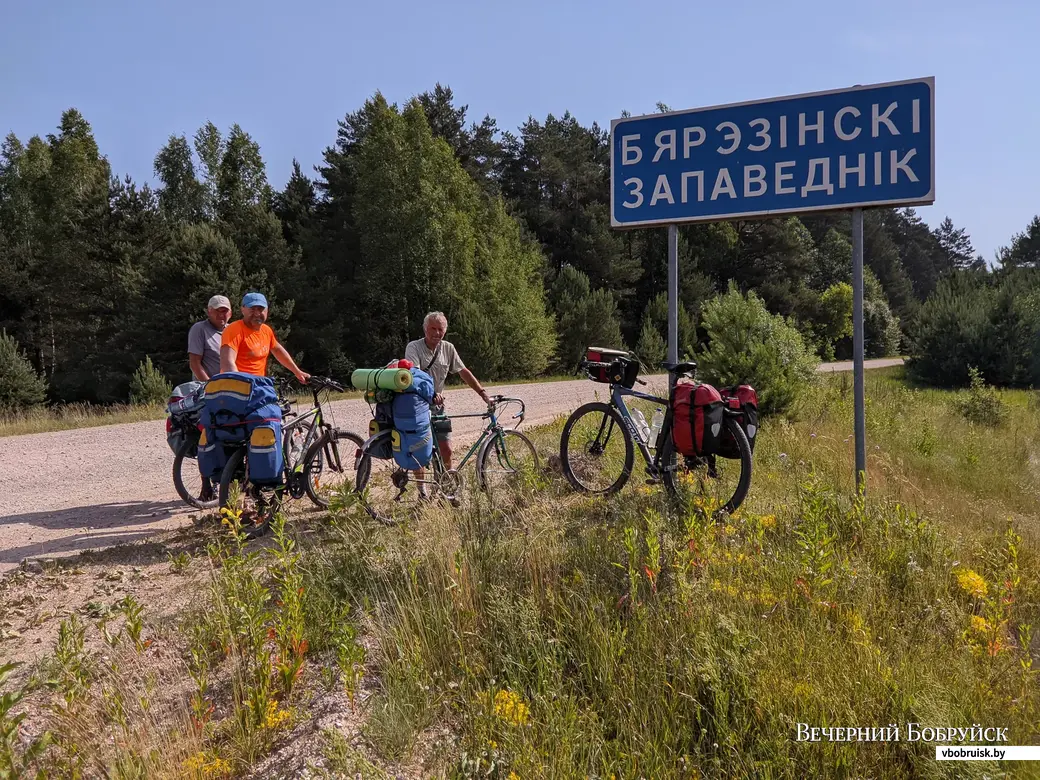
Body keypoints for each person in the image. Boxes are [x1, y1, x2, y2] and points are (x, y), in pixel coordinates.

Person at [404, 311, 491, 473]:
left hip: (438, 407)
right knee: (419, 452)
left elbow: (463, 371)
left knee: (446, 450)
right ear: (425, 329)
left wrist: (482, 393)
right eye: (433, 328)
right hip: (418, 406)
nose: (437, 333)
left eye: (441, 329)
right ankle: (422, 494)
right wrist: (430, 394)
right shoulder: (414, 347)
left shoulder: (448, 348)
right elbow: (414, 375)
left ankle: (446, 487)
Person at [220, 292, 310, 384]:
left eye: (260, 309)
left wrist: (297, 372)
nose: (257, 314)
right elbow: (227, 363)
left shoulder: (266, 330)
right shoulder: (234, 330)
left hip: (258, 385)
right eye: (252, 309)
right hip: (236, 387)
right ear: (243, 309)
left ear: (267, 311)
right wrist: (240, 384)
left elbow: (277, 350)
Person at [187, 295, 232, 381]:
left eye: (224, 311)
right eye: (217, 311)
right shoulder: (199, 329)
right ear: (209, 311)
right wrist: (209, 385)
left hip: (230, 387)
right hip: (208, 389)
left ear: (230, 313)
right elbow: (194, 364)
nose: (221, 315)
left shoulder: (233, 330)